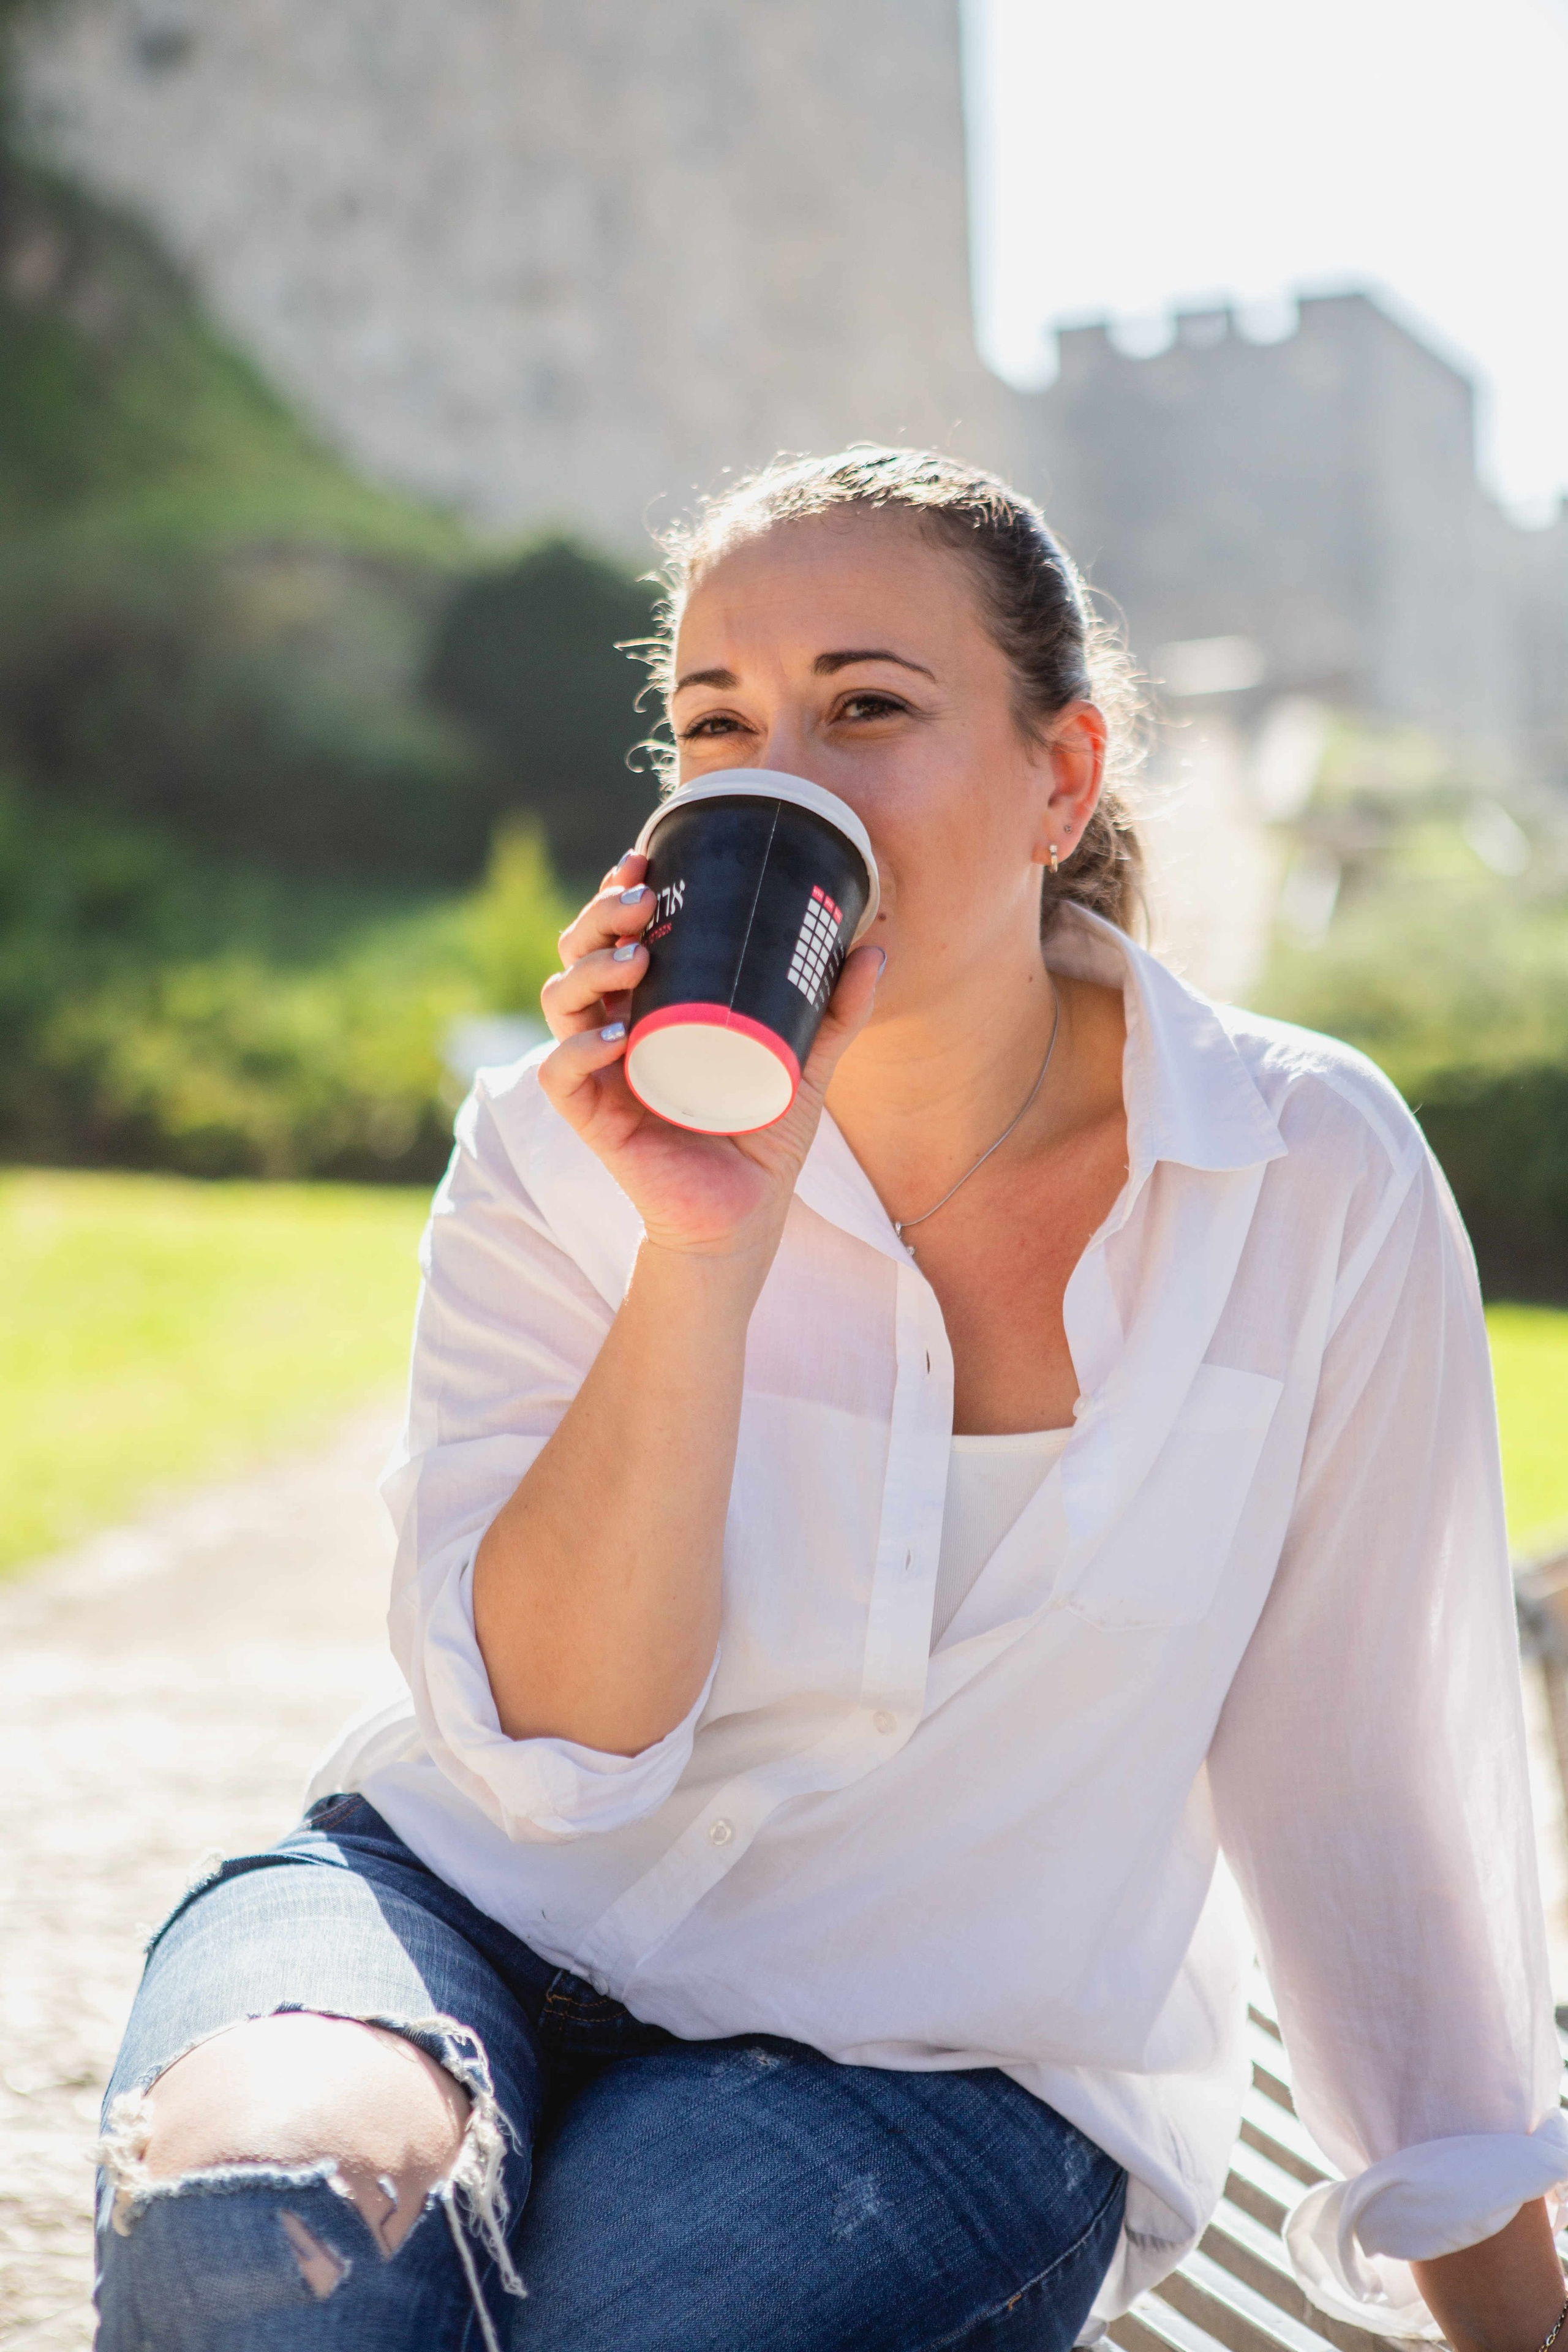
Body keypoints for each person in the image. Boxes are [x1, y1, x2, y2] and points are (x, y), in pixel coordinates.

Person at [95, 448, 1567, 2352]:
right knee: (261, 2238)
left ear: (1062, 779)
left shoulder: (1303, 1177)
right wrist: (701, 1240)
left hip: (934, 2060)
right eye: (721, 726)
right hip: (458, 1903)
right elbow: (553, 1741)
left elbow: (1367, 1781)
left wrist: (1513, 2316)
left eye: (869, 707)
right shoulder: (555, 1154)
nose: (783, 775)